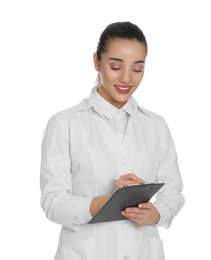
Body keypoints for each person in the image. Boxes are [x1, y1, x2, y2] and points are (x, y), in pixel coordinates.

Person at [40, 21, 185, 260]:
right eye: (116, 66)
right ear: (97, 61)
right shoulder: (64, 124)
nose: (126, 78)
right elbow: (52, 202)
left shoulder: (156, 125)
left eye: (137, 69)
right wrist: (108, 203)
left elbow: (174, 192)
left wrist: (155, 214)